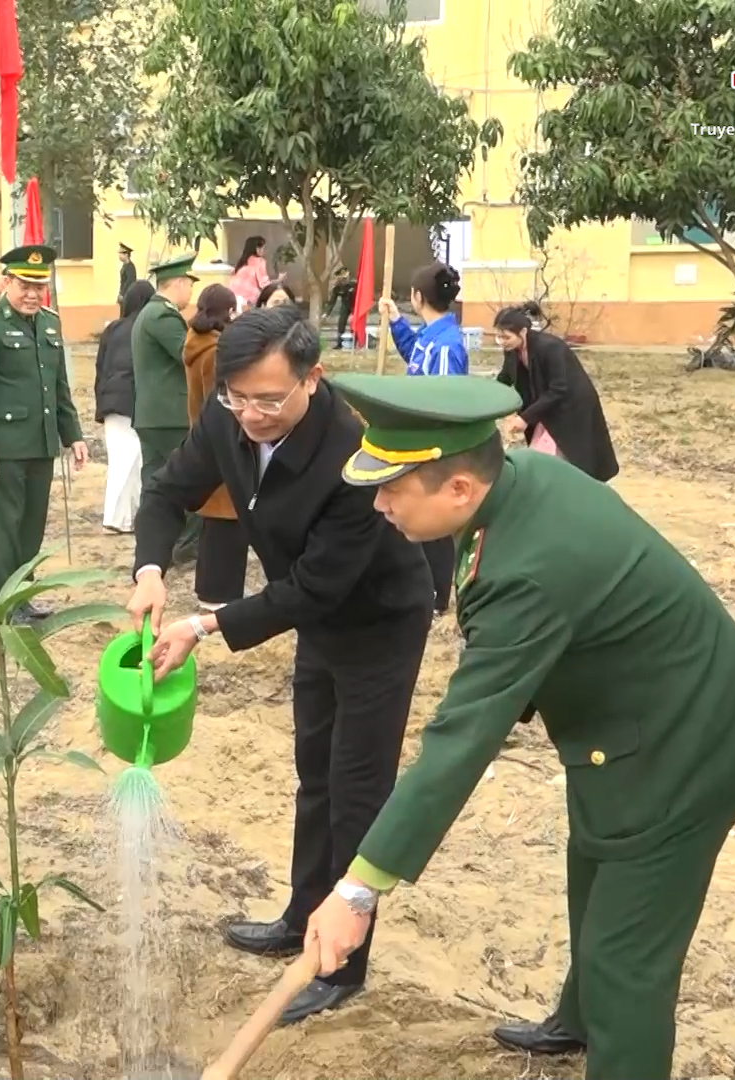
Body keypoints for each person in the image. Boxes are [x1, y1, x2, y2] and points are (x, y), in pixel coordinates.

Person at [305, 374, 735, 1080]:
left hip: (688, 740)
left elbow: (462, 739)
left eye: (391, 490)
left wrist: (359, 888)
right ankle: (577, 1020)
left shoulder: (527, 571)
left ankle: (615, 1041)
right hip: (628, 723)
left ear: (458, 491)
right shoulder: (515, 480)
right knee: (591, 870)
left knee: (627, 958)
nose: (377, 504)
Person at [127, 305, 433, 1025]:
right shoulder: (228, 416)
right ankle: (302, 916)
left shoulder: (353, 449)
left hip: (379, 619)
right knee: (313, 769)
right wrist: (148, 569)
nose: (252, 415)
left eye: (270, 399)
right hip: (318, 619)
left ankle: (341, 963)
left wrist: (204, 625)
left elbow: (319, 587)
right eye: (238, 397)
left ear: (312, 379)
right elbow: (168, 492)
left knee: (357, 784)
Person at [0, 245, 87, 610]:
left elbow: (58, 384)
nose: (32, 295)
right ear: (6, 282)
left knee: (31, 529)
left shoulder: (49, 322)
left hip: (41, 443)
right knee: (5, 532)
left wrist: (72, 434)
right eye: (24, 286)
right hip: (4, 447)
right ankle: (2, 605)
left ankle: (23, 599)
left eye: (39, 286)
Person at [379, 261, 469, 615]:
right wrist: (397, 323)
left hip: (435, 445)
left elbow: (445, 400)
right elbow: (416, 357)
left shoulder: (447, 346)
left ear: (417, 297)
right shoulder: (432, 337)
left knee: (435, 520)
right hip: (416, 441)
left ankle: (437, 594)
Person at [492, 303, 618, 481]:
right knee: (542, 459)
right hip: (547, 407)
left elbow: (559, 388)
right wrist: (489, 399)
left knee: (566, 460)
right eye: (498, 337)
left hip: (571, 407)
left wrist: (525, 418)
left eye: (506, 337)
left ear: (522, 332)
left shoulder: (550, 347)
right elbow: (505, 378)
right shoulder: (513, 350)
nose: (502, 342)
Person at [133, 253, 200, 565]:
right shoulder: (162, 316)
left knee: (156, 482)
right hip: (169, 414)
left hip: (154, 414)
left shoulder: (150, 313)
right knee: (189, 477)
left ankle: (155, 547)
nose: (191, 293)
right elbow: (189, 355)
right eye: (190, 285)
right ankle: (184, 545)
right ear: (180, 283)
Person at [181, 283, 245, 609]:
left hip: (201, 435)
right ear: (228, 312)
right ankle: (219, 594)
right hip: (220, 442)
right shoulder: (216, 353)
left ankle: (210, 590)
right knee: (227, 523)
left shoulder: (196, 345)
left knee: (214, 523)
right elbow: (219, 401)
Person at [95, 281, 152, 535]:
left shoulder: (113, 329)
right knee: (130, 460)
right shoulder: (147, 326)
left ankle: (129, 517)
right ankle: (116, 517)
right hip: (132, 399)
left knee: (126, 459)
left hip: (111, 398)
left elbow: (100, 367)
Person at [228, 236, 271, 312]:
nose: (264, 251)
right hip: (249, 298)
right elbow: (264, 283)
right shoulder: (260, 261)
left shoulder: (241, 262)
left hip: (233, 296)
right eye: (263, 248)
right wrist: (277, 281)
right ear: (257, 249)